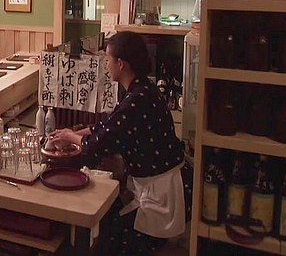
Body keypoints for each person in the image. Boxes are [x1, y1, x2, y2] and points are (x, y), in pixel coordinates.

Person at [51, 32, 192, 255]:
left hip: (161, 192)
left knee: (110, 241)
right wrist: (74, 132)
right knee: (110, 221)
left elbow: (98, 144)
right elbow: (110, 125)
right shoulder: (142, 88)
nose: (106, 65)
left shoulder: (137, 99)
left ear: (121, 64)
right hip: (160, 181)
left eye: (107, 59)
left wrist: (70, 137)